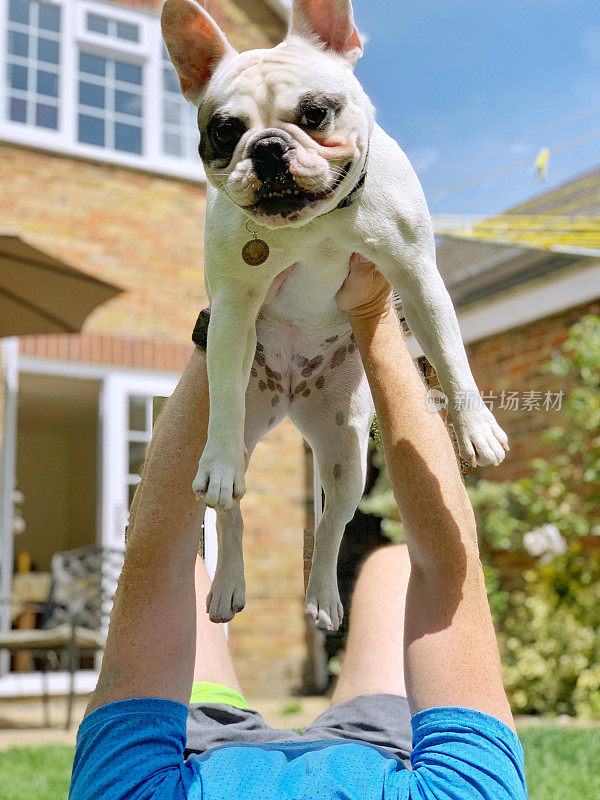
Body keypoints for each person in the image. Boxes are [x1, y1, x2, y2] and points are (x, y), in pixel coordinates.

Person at [69, 255, 527, 800]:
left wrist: (233, 307)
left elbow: (153, 559)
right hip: (378, 750)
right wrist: (373, 312)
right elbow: (449, 570)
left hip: (199, 747)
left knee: (185, 574)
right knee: (392, 565)